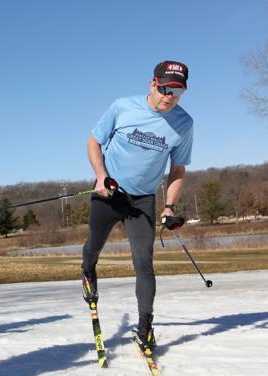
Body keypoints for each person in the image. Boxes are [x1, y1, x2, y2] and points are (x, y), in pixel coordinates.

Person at [82, 60, 193, 352]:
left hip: (142, 200)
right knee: (94, 244)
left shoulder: (184, 123)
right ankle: (88, 271)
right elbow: (94, 142)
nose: (168, 96)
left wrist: (169, 207)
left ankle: (145, 327)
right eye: (164, 88)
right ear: (152, 84)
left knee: (144, 263)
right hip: (110, 193)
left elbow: (177, 170)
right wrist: (101, 177)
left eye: (176, 92)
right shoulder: (123, 107)